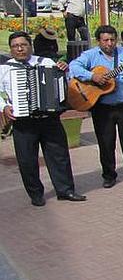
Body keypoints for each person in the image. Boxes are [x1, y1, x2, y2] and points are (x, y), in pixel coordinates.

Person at [0, 31, 85, 206]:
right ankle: (35, 194)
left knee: (59, 155)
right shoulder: (4, 69)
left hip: (49, 119)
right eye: (15, 46)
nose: (20, 49)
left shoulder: (45, 62)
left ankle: (66, 190)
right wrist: (4, 107)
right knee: (27, 159)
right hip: (23, 121)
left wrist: (64, 71)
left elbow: (62, 84)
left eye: (23, 45)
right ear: (10, 49)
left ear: (30, 46)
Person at [68, 25, 123, 190]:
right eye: (106, 40)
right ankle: (109, 175)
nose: (110, 43)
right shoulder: (90, 55)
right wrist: (93, 76)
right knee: (106, 142)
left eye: (112, 40)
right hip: (102, 107)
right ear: (99, 41)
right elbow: (73, 67)